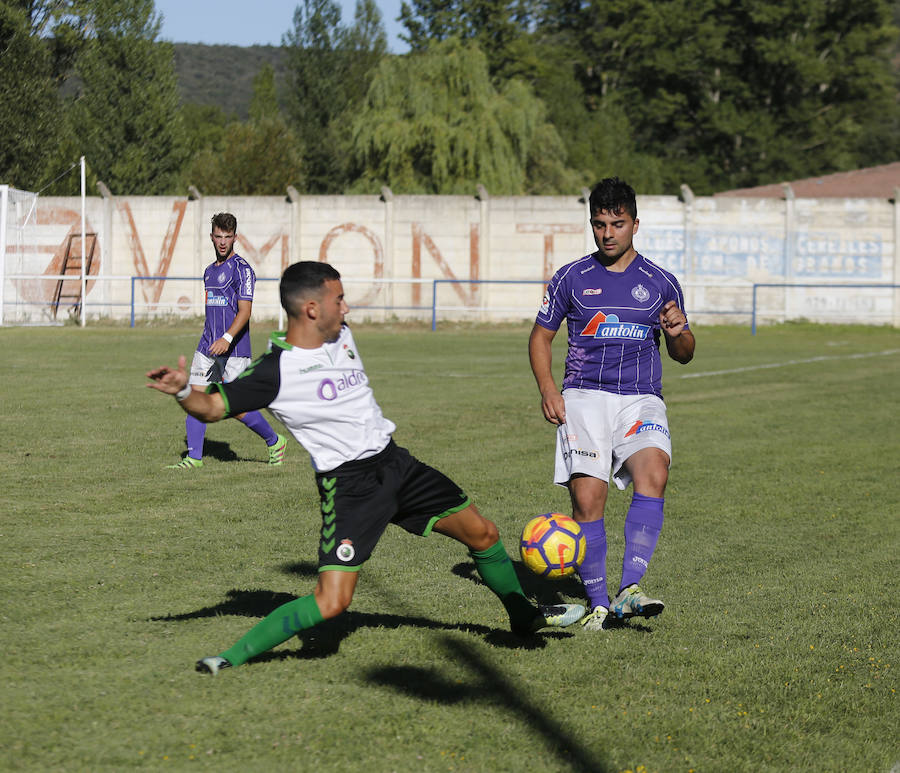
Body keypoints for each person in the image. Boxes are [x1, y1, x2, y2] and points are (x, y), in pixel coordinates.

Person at [146, 261, 585, 674]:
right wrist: (184, 390)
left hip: (398, 465)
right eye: (339, 299)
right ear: (311, 308)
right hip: (351, 488)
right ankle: (228, 658)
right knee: (332, 601)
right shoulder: (274, 371)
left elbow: (338, 325)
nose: (347, 307)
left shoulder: (340, 333)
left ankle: (524, 617)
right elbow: (210, 407)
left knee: (484, 533)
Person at [528, 177, 695, 632]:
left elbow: (684, 353)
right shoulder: (571, 277)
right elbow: (540, 337)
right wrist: (548, 389)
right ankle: (600, 603)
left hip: (640, 398)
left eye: (616, 224)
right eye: (599, 224)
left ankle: (630, 589)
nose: (607, 233)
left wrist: (679, 331)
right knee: (588, 499)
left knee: (654, 473)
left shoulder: (661, 283)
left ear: (635, 225)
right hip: (583, 396)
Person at [166, 212, 286, 470]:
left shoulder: (243, 270)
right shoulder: (209, 272)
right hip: (207, 345)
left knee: (236, 407)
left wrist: (227, 338)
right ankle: (194, 458)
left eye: (227, 237)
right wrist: (213, 338)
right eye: (218, 236)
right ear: (212, 237)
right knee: (195, 397)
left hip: (235, 348)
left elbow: (245, 311)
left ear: (235, 238)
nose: (222, 242)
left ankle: (275, 441)